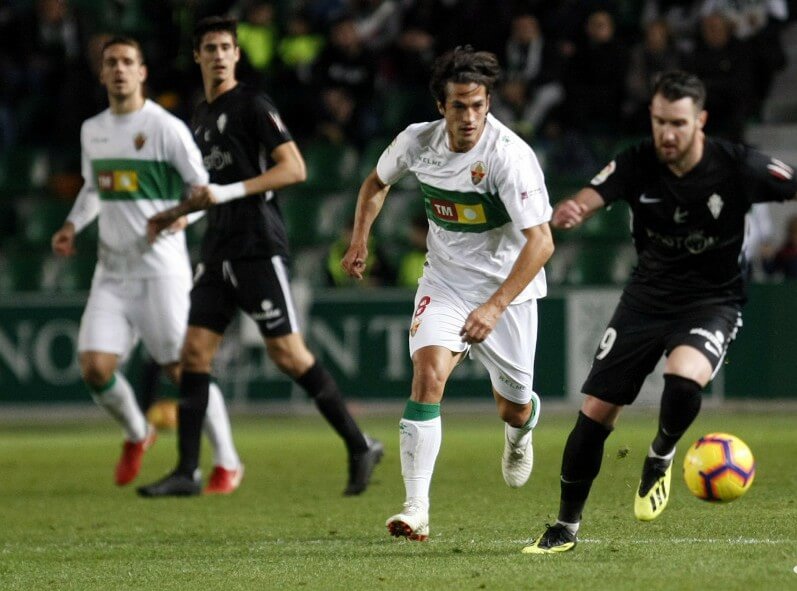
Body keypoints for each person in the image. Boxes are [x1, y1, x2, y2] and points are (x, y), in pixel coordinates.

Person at [524, 70, 797, 554]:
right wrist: (576, 210)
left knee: (683, 378)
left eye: (677, 123)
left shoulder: (737, 166)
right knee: (595, 414)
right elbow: (594, 193)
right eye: (658, 122)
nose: (666, 134)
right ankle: (566, 527)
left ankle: (661, 453)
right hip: (646, 298)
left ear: (700, 121)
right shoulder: (637, 161)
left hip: (713, 299)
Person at [138, 16, 383, 498]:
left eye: (226, 47)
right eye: (209, 48)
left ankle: (359, 445)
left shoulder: (252, 104)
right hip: (216, 247)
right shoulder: (199, 117)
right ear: (197, 56)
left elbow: (294, 168)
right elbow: (207, 190)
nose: (218, 55)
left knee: (288, 355)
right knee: (193, 354)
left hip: (257, 245)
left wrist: (227, 193)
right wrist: (174, 214)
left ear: (236, 54)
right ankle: (188, 470)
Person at [341, 46, 555, 541]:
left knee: (512, 406)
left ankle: (521, 430)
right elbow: (376, 181)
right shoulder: (417, 142)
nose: (469, 116)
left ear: (489, 103)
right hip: (444, 281)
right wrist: (359, 239)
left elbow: (541, 242)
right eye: (459, 105)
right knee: (428, 375)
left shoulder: (510, 157)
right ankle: (416, 508)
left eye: (478, 105)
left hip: (508, 293)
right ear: (442, 106)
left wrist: (494, 305)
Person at [50, 36, 243, 493]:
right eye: (111, 62)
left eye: (128, 62)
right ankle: (139, 433)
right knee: (95, 367)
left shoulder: (164, 128)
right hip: (111, 271)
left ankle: (228, 462)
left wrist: (184, 218)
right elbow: (96, 188)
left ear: (142, 72)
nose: (119, 69)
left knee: (184, 371)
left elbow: (202, 188)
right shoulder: (93, 130)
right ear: (102, 74)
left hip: (160, 270)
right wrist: (71, 226)